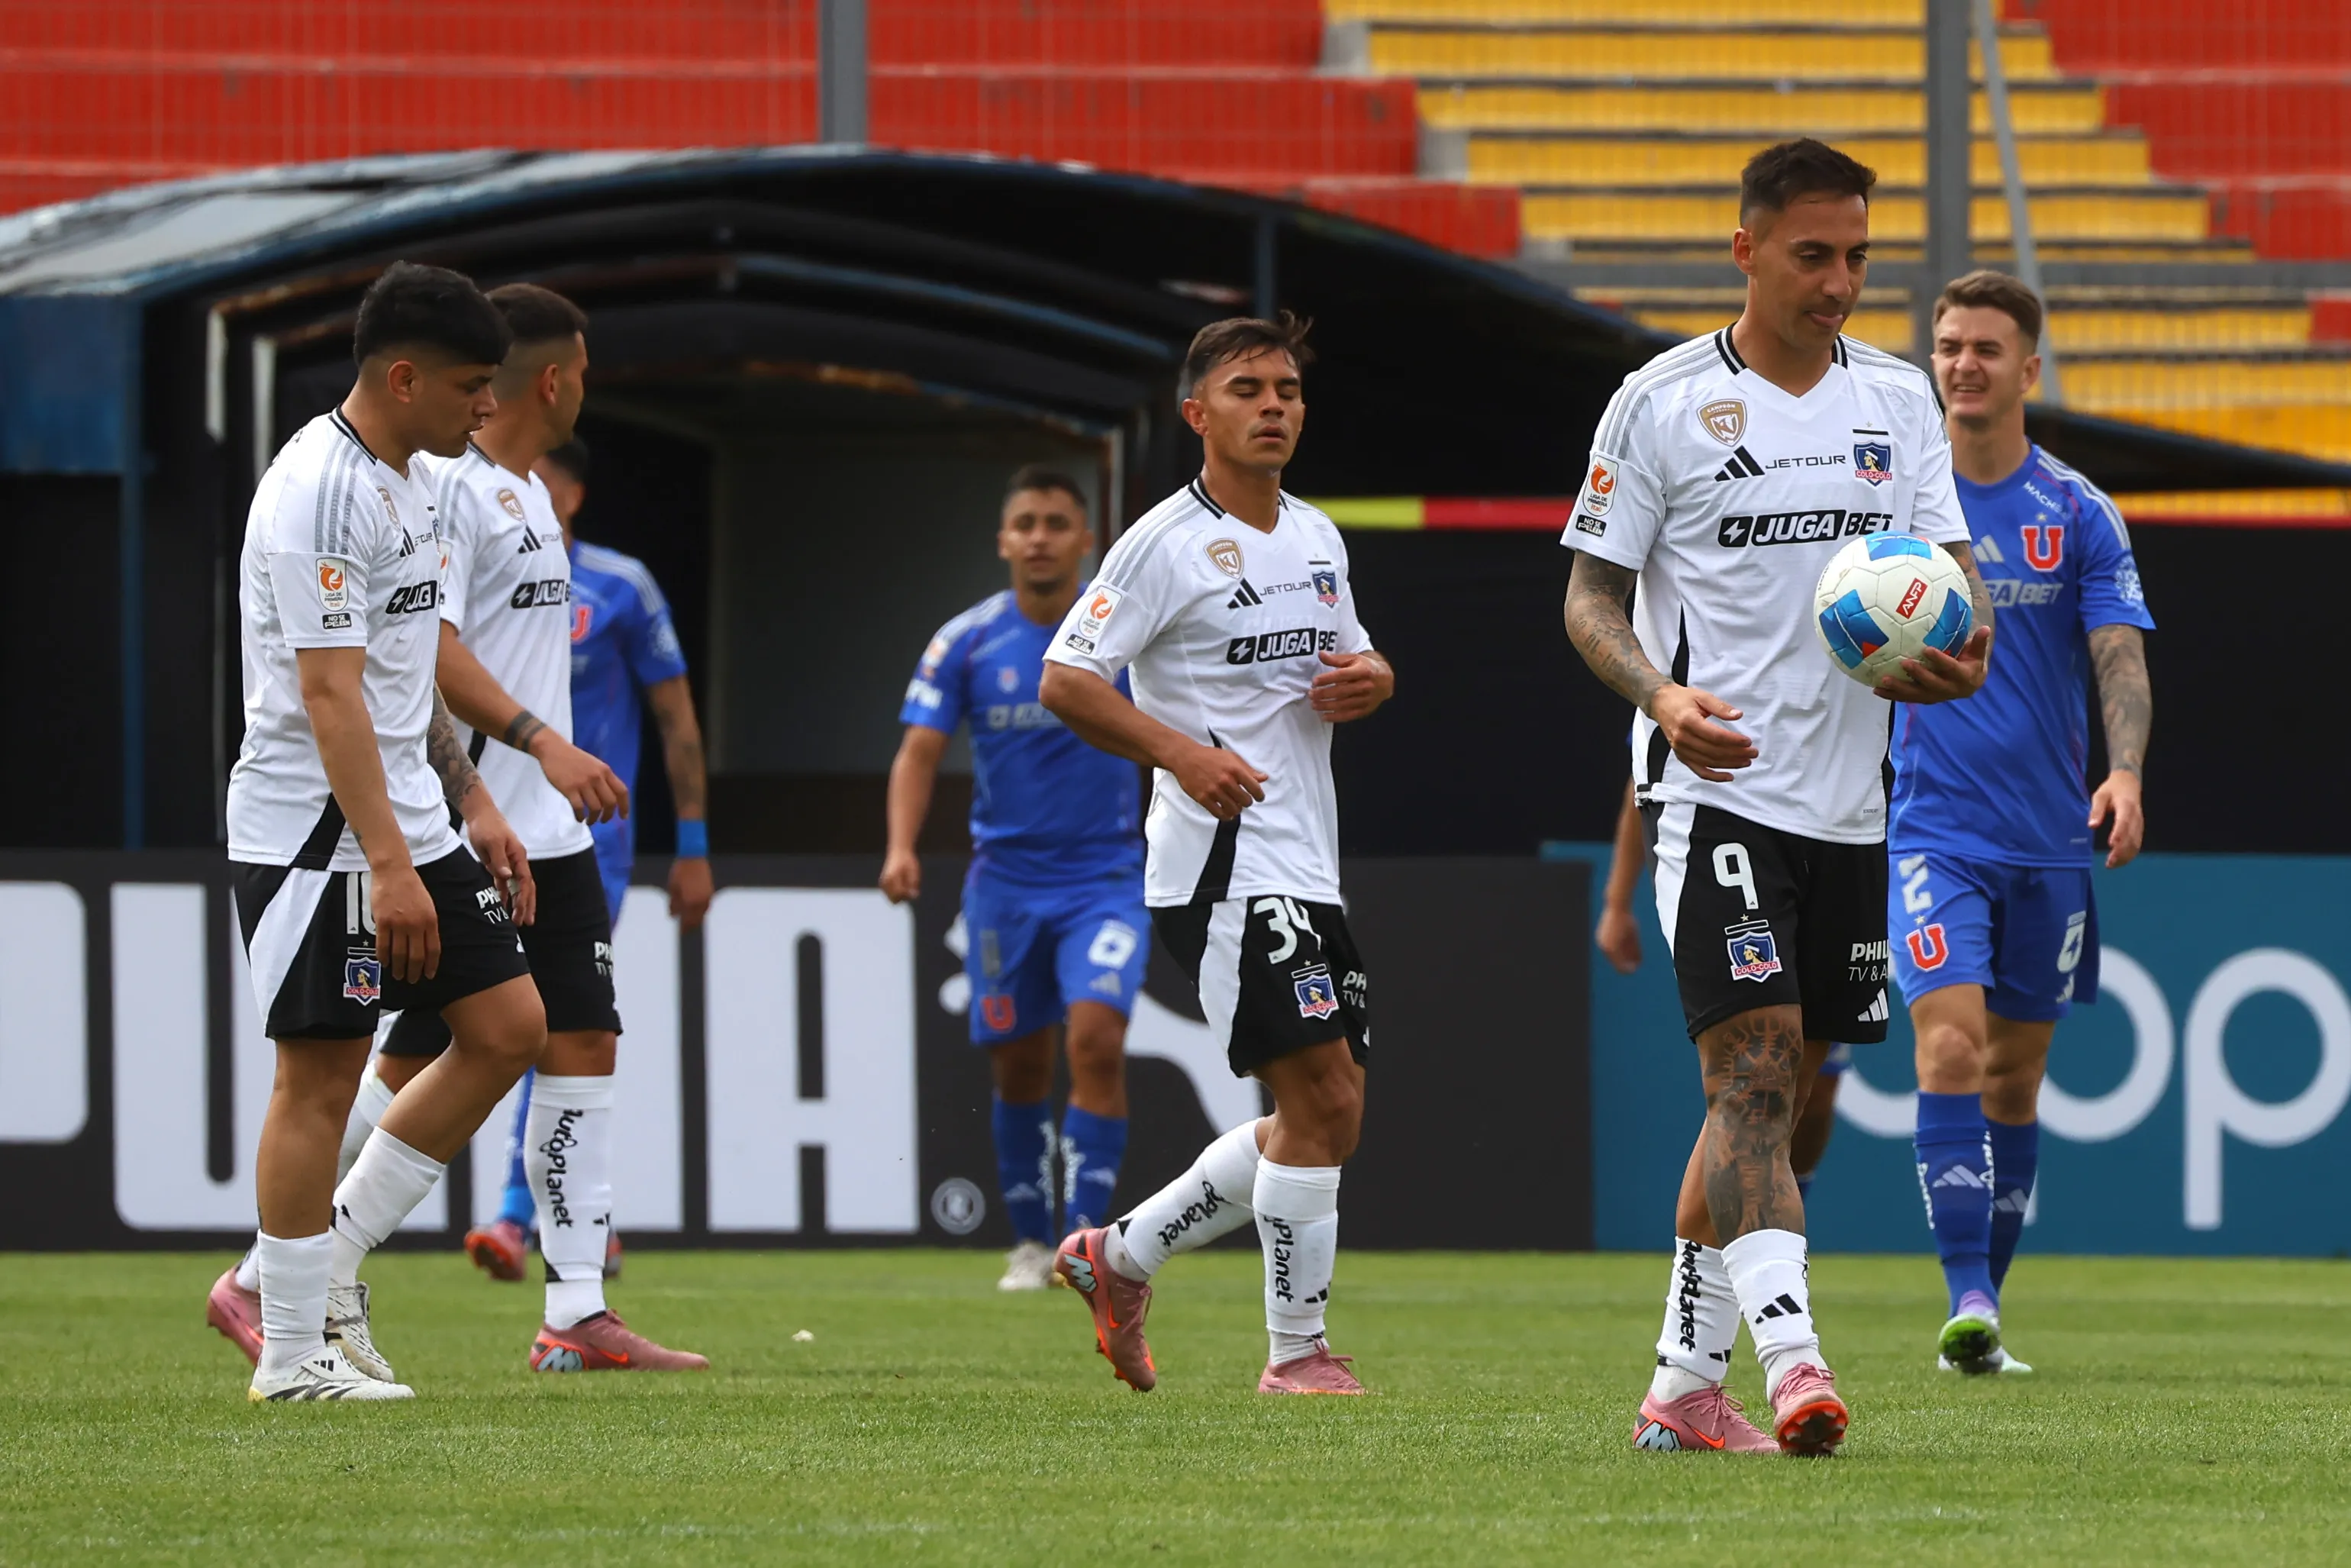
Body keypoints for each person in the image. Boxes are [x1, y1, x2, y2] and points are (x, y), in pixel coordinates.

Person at [1560, 140, 1994, 1456]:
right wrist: (1664, 698)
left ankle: (1683, 1384)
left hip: (1854, 807)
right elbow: (1588, 597)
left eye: (1860, 256)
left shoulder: (1901, 402)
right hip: (1714, 791)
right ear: (1743, 248)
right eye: (1815, 255)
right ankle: (1797, 1365)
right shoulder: (1661, 401)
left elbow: (1958, 605)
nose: (1841, 282)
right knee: (1750, 1082)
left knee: (1794, 1105)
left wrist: (1952, 662)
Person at [1039, 312, 1395, 1396]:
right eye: (1248, 389)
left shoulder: (1317, 535)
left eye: (1286, 388)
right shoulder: (1163, 544)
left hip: (1307, 856)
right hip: (1223, 863)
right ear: (1199, 415)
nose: (1274, 406)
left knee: (1328, 1112)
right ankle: (1297, 1355)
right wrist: (1181, 756)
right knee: (1323, 1096)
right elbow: (1067, 676)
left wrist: (1374, 674)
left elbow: (1346, 656)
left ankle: (1122, 1253)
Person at [214, 262, 547, 1401]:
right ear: (401, 376)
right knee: (319, 1076)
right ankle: (293, 1352)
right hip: (320, 835)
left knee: (509, 1027)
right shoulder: (317, 488)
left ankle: (323, 1271)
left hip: (409, 818)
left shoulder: (411, 480)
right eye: (470, 385)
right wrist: (390, 867)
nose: (486, 409)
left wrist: (475, 803)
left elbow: (407, 686)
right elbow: (330, 696)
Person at [357, 284, 699, 1371]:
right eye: (584, 370)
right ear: (552, 380)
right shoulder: (451, 493)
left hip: (547, 834)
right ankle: (279, 1262)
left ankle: (577, 1308)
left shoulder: (524, 498)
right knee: (416, 1059)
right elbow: (430, 650)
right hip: (469, 824)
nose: (585, 386)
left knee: (582, 1041)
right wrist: (536, 749)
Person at [1896, 269, 2155, 1376]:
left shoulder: (2077, 511)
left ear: (2028, 369)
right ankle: (1962, 1290)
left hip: (2048, 838)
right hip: (1929, 829)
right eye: (1949, 345)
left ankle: (1981, 1315)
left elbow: (2119, 653)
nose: (1964, 364)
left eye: (1986, 348)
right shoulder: (1898, 511)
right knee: (1950, 1045)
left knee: (2014, 1078)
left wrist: (2128, 772)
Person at [880, 466, 1148, 1291]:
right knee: (1019, 1065)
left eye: (1055, 522)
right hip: (1004, 885)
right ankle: (1031, 1242)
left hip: (1105, 875)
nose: (1039, 536)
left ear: (1084, 539)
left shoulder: (1121, 638)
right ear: (1003, 540)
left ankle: (1085, 1242)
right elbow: (919, 749)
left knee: (1095, 1038)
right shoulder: (965, 639)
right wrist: (900, 846)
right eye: (1024, 522)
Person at [460, 434, 714, 1282]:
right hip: (476, 823)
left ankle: (518, 1210)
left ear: (563, 494)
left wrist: (692, 844)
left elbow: (676, 719)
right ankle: (580, 1221)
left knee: (561, 1020)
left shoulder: (620, 585)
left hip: (587, 840)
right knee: (483, 1027)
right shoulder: (472, 569)